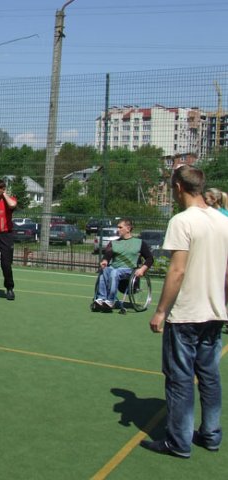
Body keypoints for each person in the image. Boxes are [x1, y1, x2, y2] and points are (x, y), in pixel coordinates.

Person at [141, 165, 228, 459]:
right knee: (210, 376)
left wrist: (161, 311)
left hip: (187, 314)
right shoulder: (222, 220)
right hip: (216, 312)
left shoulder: (182, 221)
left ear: (178, 187)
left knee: (179, 378)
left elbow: (177, 270)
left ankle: (178, 442)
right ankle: (212, 435)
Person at [92, 218, 154, 312]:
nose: (118, 229)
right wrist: (105, 261)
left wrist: (142, 269)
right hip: (114, 268)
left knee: (114, 272)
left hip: (129, 270)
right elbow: (107, 255)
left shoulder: (139, 243)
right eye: (118, 227)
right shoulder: (114, 243)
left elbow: (150, 259)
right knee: (105, 270)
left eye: (120, 227)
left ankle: (110, 301)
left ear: (128, 229)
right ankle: (100, 299)